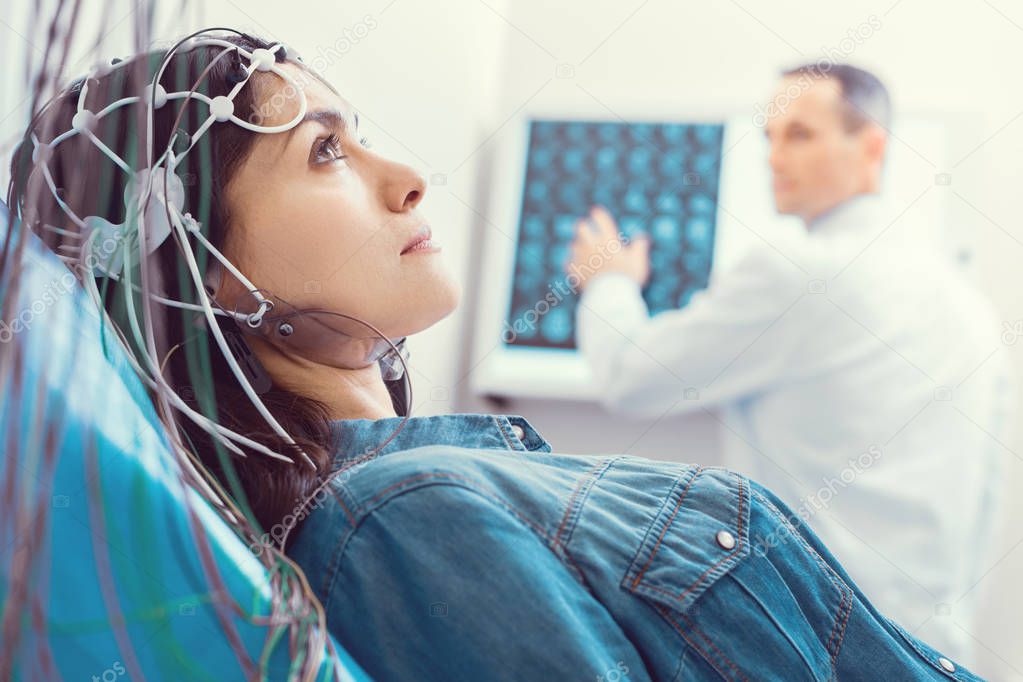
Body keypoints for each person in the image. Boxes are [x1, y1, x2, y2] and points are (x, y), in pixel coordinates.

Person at [7, 33, 986, 680]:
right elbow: (641, 376)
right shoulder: (400, 518)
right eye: (325, 154)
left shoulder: (434, 491)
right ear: (199, 274)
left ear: (872, 151)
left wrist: (607, 285)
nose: (410, 180)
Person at [567, 63, 1013, 661]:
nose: (775, 157)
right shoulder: (967, 304)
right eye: (770, 137)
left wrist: (609, 284)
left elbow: (629, 377)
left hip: (825, 646)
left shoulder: (797, 274)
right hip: (935, 654)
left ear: (872, 146)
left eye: (800, 135)